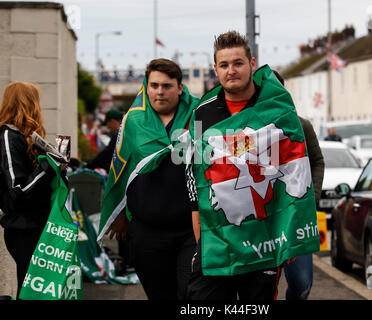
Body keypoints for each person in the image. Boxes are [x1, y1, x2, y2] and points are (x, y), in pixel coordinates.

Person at [186, 31, 319, 300]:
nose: (231, 71)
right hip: (218, 241)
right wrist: (201, 243)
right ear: (215, 69)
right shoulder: (202, 112)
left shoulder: (276, 106)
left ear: (252, 64)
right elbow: (195, 179)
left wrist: (289, 238)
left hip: (264, 240)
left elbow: (295, 168)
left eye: (238, 63)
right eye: (224, 65)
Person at [105, 59, 197, 300]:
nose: (159, 91)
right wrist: (120, 213)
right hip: (147, 232)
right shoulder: (133, 121)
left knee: (191, 295)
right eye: (154, 85)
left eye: (167, 86)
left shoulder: (201, 115)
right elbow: (122, 169)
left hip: (193, 229)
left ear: (180, 87)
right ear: (146, 87)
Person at [0, 82, 57, 298]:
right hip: (23, 229)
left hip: (37, 226)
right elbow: (18, 191)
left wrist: (57, 167)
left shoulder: (25, 137)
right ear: (28, 103)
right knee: (32, 291)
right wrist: (48, 166)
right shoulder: (8, 136)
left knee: (39, 291)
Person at [273, 70, 325, 300]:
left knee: (302, 284)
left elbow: (317, 161)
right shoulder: (248, 129)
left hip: (296, 216)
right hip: (264, 218)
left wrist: (312, 197)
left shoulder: (301, 126)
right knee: (259, 287)